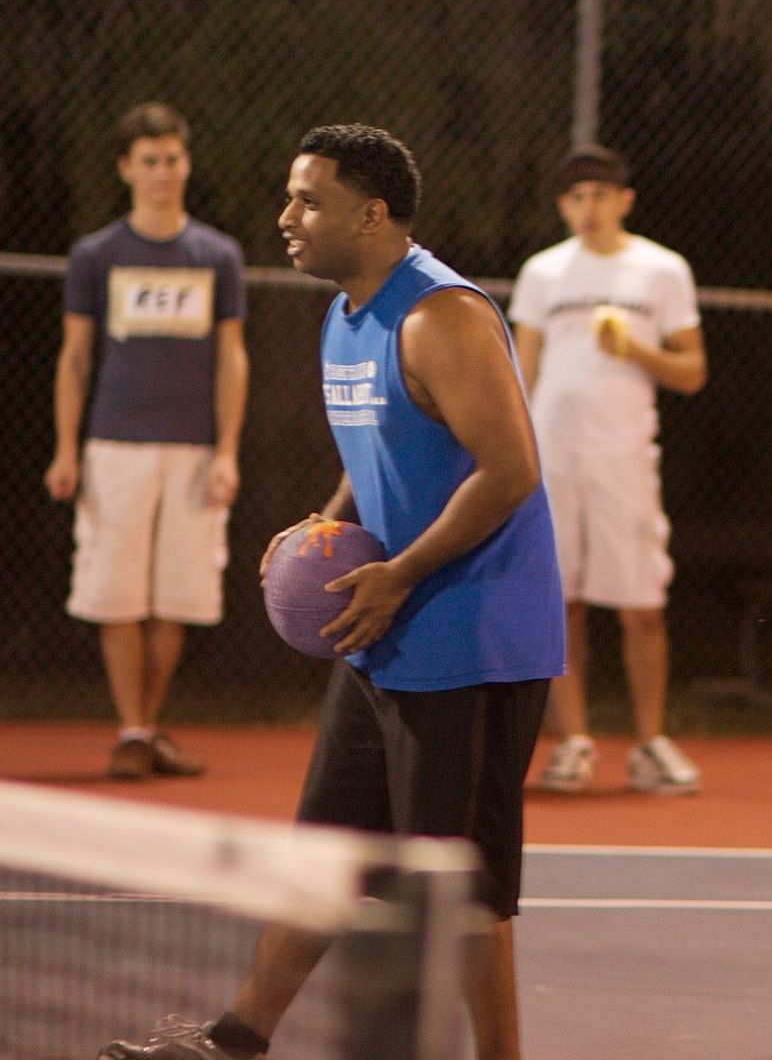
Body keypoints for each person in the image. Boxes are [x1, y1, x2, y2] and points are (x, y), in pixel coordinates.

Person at [105, 124, 564, 1060]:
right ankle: (236, 1039)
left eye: (309, 200)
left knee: (461, 891)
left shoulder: (441, 315)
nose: (287, 217)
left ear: (373, 212)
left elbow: (510, 468)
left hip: (469, 646)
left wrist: (402, 573)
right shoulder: (348, 313)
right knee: (326, 861)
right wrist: (324, 523)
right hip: (383, 630)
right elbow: (379, 452)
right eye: (290, 196)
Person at [45, 102, 248, 781]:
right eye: (150, 160)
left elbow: (232, 358)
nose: (164, 171)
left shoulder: (218, 255)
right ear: (127, 169)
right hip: (115, 446)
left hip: (193, 452)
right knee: (116, 596)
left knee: (177, 599)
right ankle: (132, 730)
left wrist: (226, 450)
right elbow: (75, 357)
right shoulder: (96, 255)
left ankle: (147, 727)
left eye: (173, 159)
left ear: (186, 165)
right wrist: (67, 448)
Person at [508, 145, 708, 795]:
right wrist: (514, 451)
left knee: (641, 606)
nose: (588, 209)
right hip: (552, 459)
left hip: (623, 455)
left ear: (624, 200)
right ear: (563, 206)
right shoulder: (542, 274)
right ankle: (575, 742)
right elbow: (521, 372)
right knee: (559, 602)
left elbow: (692, 371)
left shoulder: (661, 270)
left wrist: (636, 347)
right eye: (576, 198)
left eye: (600, 196)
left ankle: (650, 742)